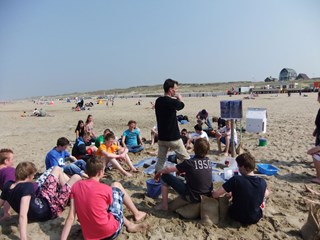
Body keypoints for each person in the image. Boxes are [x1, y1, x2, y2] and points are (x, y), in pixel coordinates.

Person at [61, 157, 148, 240]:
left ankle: (130, 223)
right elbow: (108, 208)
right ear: (100, 172)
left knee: (98, 206)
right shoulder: (105, 189)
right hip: (111, 232)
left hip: (89, 236)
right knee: (116, 185)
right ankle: (135, 216)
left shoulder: (75, 187)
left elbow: (71, 218)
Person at [0, 162, 81, 239]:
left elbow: (1, 203)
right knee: (76, 177)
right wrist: (23, 238)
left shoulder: (7, 185)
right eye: (33, 176)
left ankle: (66, 190)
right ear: (28, 176)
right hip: (52, 208)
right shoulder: (27, 187)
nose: (33, 179)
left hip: (43, 198)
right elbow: (22, 215)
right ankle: (69, 193)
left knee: (57, 168)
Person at [154, 138, 213, 210]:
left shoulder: (189, 163)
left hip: (193, 196)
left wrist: (159, 172)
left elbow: (167, 170)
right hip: (207, 195)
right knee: (181, 178)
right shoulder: (208, 161)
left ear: (194, 149)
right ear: (207, 151)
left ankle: (164, 206)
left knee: (165, 177)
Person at [212, 152, 270, 224]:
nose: (238, 168)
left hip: (236, 216)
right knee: (263, 196)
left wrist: (213, 191)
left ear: (242, 167)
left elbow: (216, 195)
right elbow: (265, 193)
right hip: (255, 218)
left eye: (238, 166)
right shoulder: (262, 182)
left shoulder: (236, 179)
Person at [154, 78, 190, 172]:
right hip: (173, 138)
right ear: (170, 89)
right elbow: (181, 105)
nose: (176, 91)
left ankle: (158, 178)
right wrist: (180, 99)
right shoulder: (172, 102)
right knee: (187, 159)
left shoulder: (158, 101)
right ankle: (190, 177)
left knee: (161, 160)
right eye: (175, 89)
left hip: (161, 137)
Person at [0, 149, 16, 221]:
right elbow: (9, 191)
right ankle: (6, 214)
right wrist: (6, 212)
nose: (13, 161)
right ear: (6, 161)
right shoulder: (10, 171)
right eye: (12, 159)